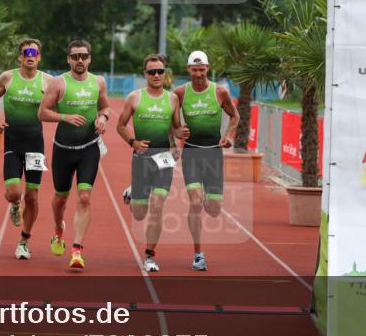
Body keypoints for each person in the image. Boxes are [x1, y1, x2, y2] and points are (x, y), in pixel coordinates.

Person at [38, 40, 111, 269]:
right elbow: (42, 113)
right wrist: (64, 117)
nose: (80, 60)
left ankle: (77, 249)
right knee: (61, 197)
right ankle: (59, 229)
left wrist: (103, 118)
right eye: (75, 56)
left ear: (89, 58)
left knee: (85, 197)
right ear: (69, 59)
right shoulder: (59, 83)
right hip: (63, 149)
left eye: (84, 56)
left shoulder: (98, 81)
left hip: (89, 147)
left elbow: (105, 107)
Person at [0, 38, 53, 260]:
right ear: (20, 57)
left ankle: (24, 240)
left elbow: (62, 106)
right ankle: (15, 204)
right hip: (13, 143)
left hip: (35, 145)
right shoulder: (8, 77)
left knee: (33, 197)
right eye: (26, 52)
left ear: (39, 57)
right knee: (15, 192)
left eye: (34, 52)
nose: (30, 55)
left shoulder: (48, 81)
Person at [173, 50, 240, 272]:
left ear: (207, 69)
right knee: (194, 202)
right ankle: (197, 254)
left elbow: (235, 116)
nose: (199, 74)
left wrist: (228, 136)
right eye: (195, 69)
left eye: (202, 69)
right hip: (191, 153)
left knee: (213, 209)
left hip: (213, 154)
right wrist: (177, 132)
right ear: (188, 69)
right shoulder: (180, 93)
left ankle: (205, 202)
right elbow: (170, 124)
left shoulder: (219, 92)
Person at [116, 54, 184, 273]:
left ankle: (150, 255)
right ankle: (133, 191)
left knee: (158, 204)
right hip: (142, 158)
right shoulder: (134, 97)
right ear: (145, 74)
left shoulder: (173, 99)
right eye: (152, 72)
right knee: (139, 213)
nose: (156, 75)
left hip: (163, 157)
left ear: (165, 74)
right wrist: (133, 142)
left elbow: (174, 127)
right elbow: (121, 125)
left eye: (160, 71)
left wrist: (175, 142)